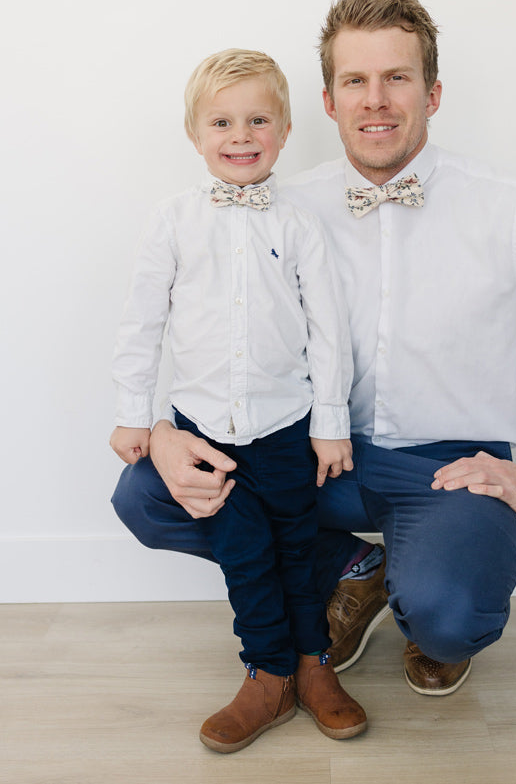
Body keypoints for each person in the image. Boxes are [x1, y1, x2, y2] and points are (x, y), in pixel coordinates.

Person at [114, 0, 516, 705]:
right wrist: (162, 429)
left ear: (432, 93)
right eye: (355, 80)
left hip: (447, 471)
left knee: (449, 619)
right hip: (307, 454)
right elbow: (214, 328)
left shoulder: (514, 208)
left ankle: (420, 597)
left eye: (397, 77)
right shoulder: (274, 206)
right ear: (327, 100)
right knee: (149, 493)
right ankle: (351, 570)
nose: (374, 100)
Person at [110, 48, 367, 753]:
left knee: (294, 548)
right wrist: (133, 412)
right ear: (194, 134)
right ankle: (268, 672)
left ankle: (314, 665)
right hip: (204, 434)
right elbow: (142, 322)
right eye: (221, 121)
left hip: (285, 427)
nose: (241, 135)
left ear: (284, 130)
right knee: (244, 553)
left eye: (258, 120)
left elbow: (329, 331)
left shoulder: (300, 224)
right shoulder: (172, 221)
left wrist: (330, 423)